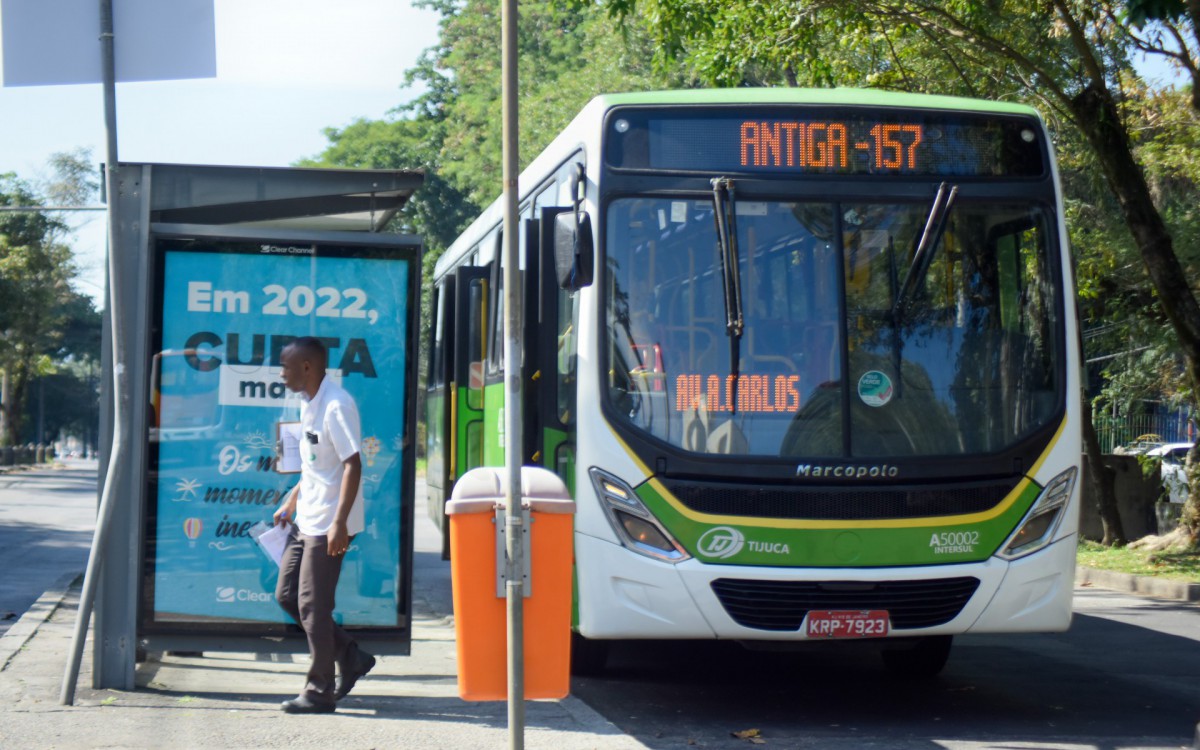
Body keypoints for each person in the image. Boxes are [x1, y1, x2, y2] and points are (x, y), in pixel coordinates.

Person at [272, 336, 375, 714]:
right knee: (287, 595)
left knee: (314, 608)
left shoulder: (337, 406)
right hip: (307, 517)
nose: (281, 373)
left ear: (307, 368)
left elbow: (353, 464)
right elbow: (318, 463)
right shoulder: (308, 402)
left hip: (330, 522)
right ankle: (350, 655)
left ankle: (319, 691)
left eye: (285, 366)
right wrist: (293, 497)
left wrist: (340, 523)